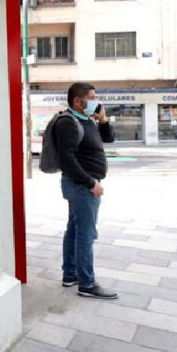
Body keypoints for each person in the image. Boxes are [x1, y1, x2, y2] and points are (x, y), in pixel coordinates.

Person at [55, 82, 117, 299]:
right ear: (77, 101)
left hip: (83, 185)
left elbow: (108, 138)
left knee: (74, 230)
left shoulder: (86, 120)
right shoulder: (68, 122)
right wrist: (91, 184)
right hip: (82, 186)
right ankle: (87, 284)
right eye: (91, 97)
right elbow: (67, 159)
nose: (95, 101)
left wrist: (103, 119)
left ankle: (70, 274)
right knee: (86, 235)